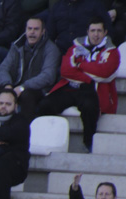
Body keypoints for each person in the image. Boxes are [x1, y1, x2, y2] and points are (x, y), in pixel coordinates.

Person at [37, 17, 119, 152]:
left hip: (93, 90)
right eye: (93, 30)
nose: (96, 34)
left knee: (89, 107)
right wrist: (90, 76)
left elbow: (104, 72)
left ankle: (88, 143)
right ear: (87, 31)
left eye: (99, 31)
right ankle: (49, 139)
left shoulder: (113, 51)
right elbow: (65, 70)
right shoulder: (76, 46)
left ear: (105, 32)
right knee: (44, 105)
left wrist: (80, 65)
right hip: (71, 87)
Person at [0, 16, 60, 116]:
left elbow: (48, 76)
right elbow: (3, 68)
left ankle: (24, 128)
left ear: (43, 32)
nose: (32, 32)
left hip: (38, 89)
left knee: (27, 96)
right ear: (25, 30)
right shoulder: (17, 45)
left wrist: (23, 87)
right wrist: (8, 85)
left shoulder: (51, 49)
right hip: (15, 85)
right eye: (29, 28)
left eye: (36, 29)